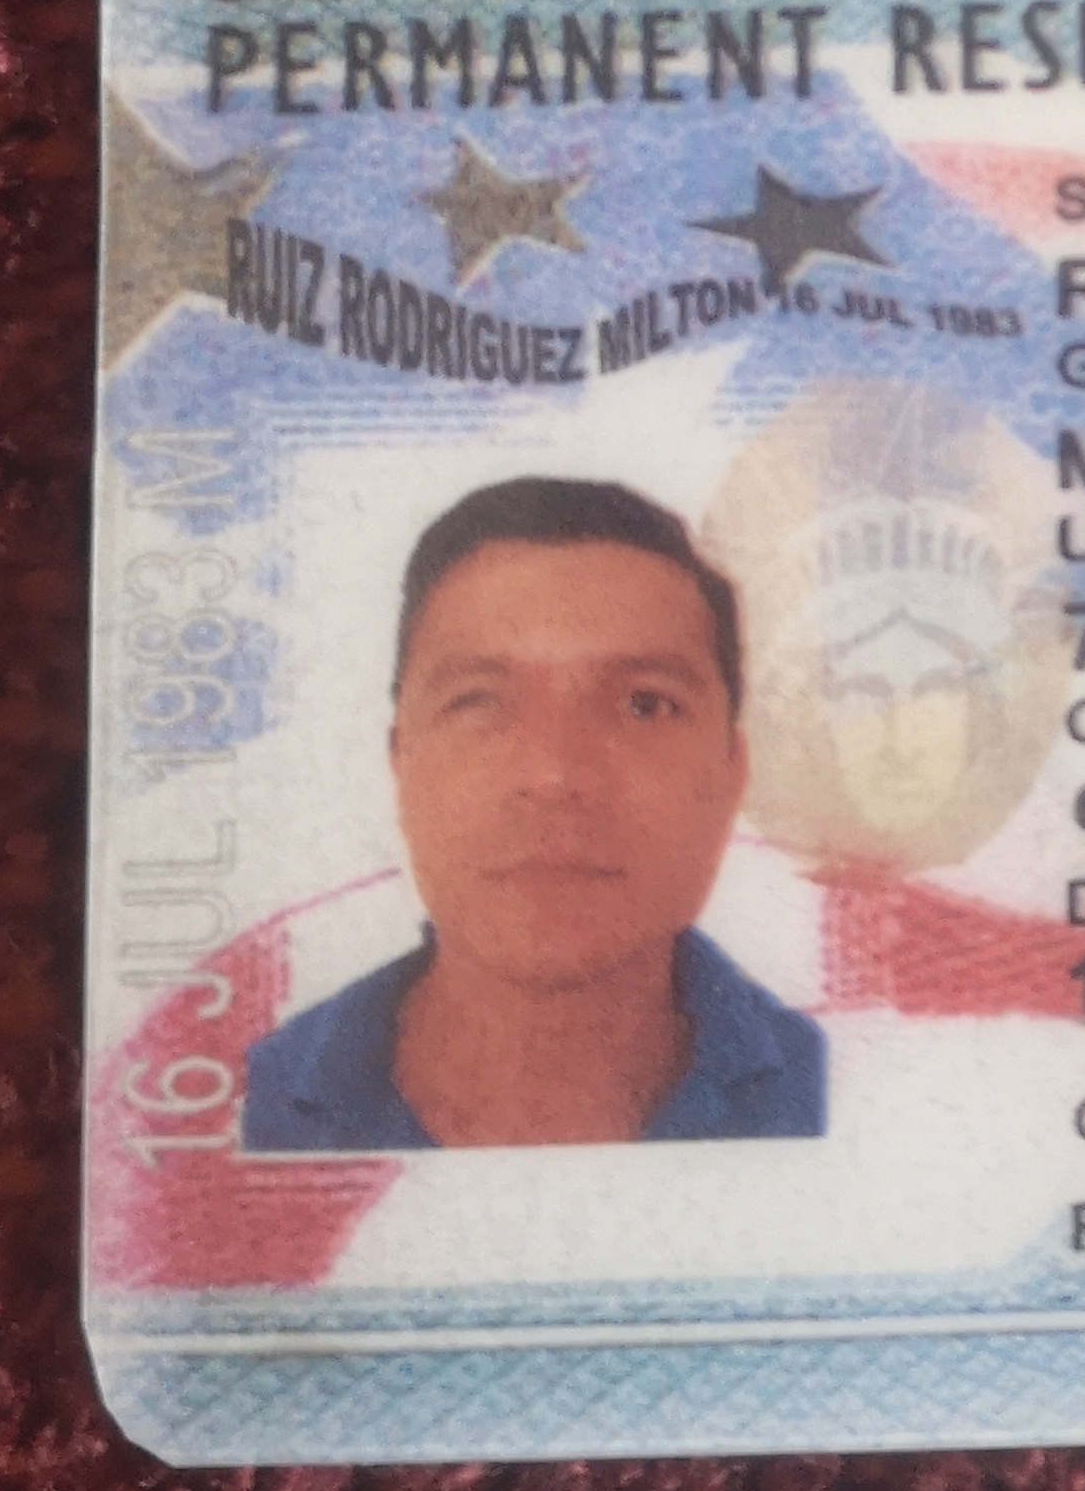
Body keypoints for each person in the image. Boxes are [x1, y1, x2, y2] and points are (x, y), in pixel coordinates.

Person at [244, 476, 827, 1150]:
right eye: (479, 702)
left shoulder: (849, 1098)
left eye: (644, 704)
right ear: (402, 762)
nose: (555, 775)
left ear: (731, 771)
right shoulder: (241, 1107)